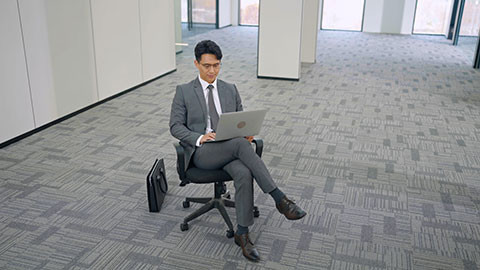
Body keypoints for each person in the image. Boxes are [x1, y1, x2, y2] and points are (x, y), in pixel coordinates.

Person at [169, 40, 306, 262]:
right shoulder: (184, 91)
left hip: (230, 147)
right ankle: (279, 198)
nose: (212, 70)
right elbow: (175, 126)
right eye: (206, 66)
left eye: (216, 65)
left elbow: (240, 121)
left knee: (243, 171)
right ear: (196, 64)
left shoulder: (230, 89)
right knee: (241, 146)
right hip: (203, 152)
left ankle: (242, 233)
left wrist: (247, 132)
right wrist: (199, 137)